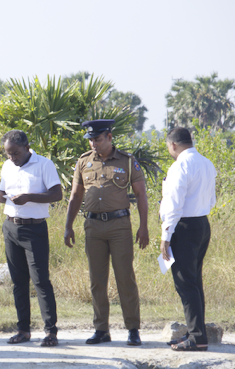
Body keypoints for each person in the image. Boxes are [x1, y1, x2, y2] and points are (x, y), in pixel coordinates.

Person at [64, 120, 149, 346]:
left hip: (119, 225)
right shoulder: (83, 161)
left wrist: (143, 226)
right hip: (93, 226)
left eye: (98, 139)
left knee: (125, 278)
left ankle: (133, 329)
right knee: (97, 280)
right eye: (91, 140)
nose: (94, 144)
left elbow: (141, 195)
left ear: (109, 137)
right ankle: (101, 329)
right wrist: (68, 225)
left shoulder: (127, 161)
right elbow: (75, 196)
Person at [0, 130, 62, 347]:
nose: (11, 157)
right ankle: (23, 330)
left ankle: (51, 331)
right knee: (18, 282)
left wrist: (28, 198)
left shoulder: (44, 164)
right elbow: (1, 194)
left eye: (15, 153)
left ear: (26, 147)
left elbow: (57, 194)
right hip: (10, 227)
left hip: (34, 229)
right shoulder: (7, 166)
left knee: (40, 281)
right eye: (8, 154)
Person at [160, 127, 216, 352]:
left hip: (184, 226)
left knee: (185, 283)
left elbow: (174, 205)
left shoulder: (179, 166)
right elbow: (211, 200)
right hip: (202, 223)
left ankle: (197, 338)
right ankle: (196, 332)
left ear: (173, 145)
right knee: (194, 281)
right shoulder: (206, 163)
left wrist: (166, 237)